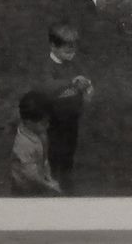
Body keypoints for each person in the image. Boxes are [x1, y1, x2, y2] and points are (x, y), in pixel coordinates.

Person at [35, 22, 94, 190]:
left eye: (73, 50)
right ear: (53, 46)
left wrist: (88, 87)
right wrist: (71, 82)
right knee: (54, 146)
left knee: (70, 144)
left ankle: (67, 172)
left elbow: (82, 77)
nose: (72, 54)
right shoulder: (48, 66)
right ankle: (52, 174)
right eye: (67, 51)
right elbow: (48, 86)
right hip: (54, 117)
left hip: (72, 114)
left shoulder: (72, 62)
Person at [10, 92, 62, 194]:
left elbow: (44, 157)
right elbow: (30, 175)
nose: (47, 125)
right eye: (43, 123)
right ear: (29, 122)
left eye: (48, 121)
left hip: (38, 173)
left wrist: (47, 174)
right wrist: (49, 185)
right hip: (25, 186)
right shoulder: (23, 145)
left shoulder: (37, 131)